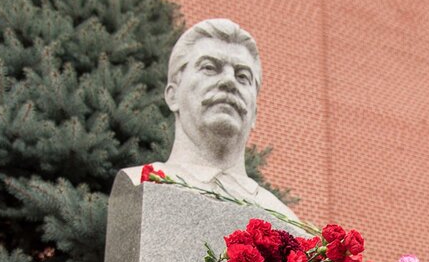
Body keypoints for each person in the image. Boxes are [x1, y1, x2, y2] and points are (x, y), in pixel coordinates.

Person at [122, 19, 297, 219]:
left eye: (242, 76)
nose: (229, 81)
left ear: (255, 114)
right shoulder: (139, 183)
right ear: (173, 95)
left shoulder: (284, 219)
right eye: (209, 67)